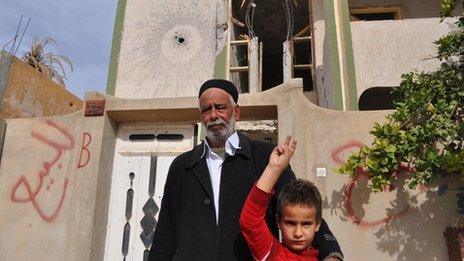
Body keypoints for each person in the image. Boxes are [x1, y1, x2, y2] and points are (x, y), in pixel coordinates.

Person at [148, 79, 343, 260]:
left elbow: (299, 205)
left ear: (236, 112)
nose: (214, 115)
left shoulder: (266, 158)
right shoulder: (182, 166)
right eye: (207, 110)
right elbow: (166, 229)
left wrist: (329, 250)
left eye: (220, 107)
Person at [240, 136, 321, 260]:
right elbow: (250, 220)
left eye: (306, 224)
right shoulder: (272, 253)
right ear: (278, 221)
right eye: (290, 223)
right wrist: (274, 168)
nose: (298, 233)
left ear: (317, 224)